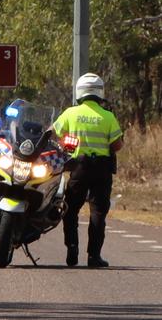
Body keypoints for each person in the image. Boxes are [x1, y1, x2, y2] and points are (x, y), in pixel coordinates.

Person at [52, 73, 124, 268]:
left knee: (70, 209)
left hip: (79, 168)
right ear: (100, 92)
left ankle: (72, 248)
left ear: (80, 92)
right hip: (102, 170)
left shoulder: (70, 113)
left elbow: (53, 134)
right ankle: (94, 256)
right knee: (98, 213)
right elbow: (117, 144)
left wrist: (65, 144)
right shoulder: (108, 116)